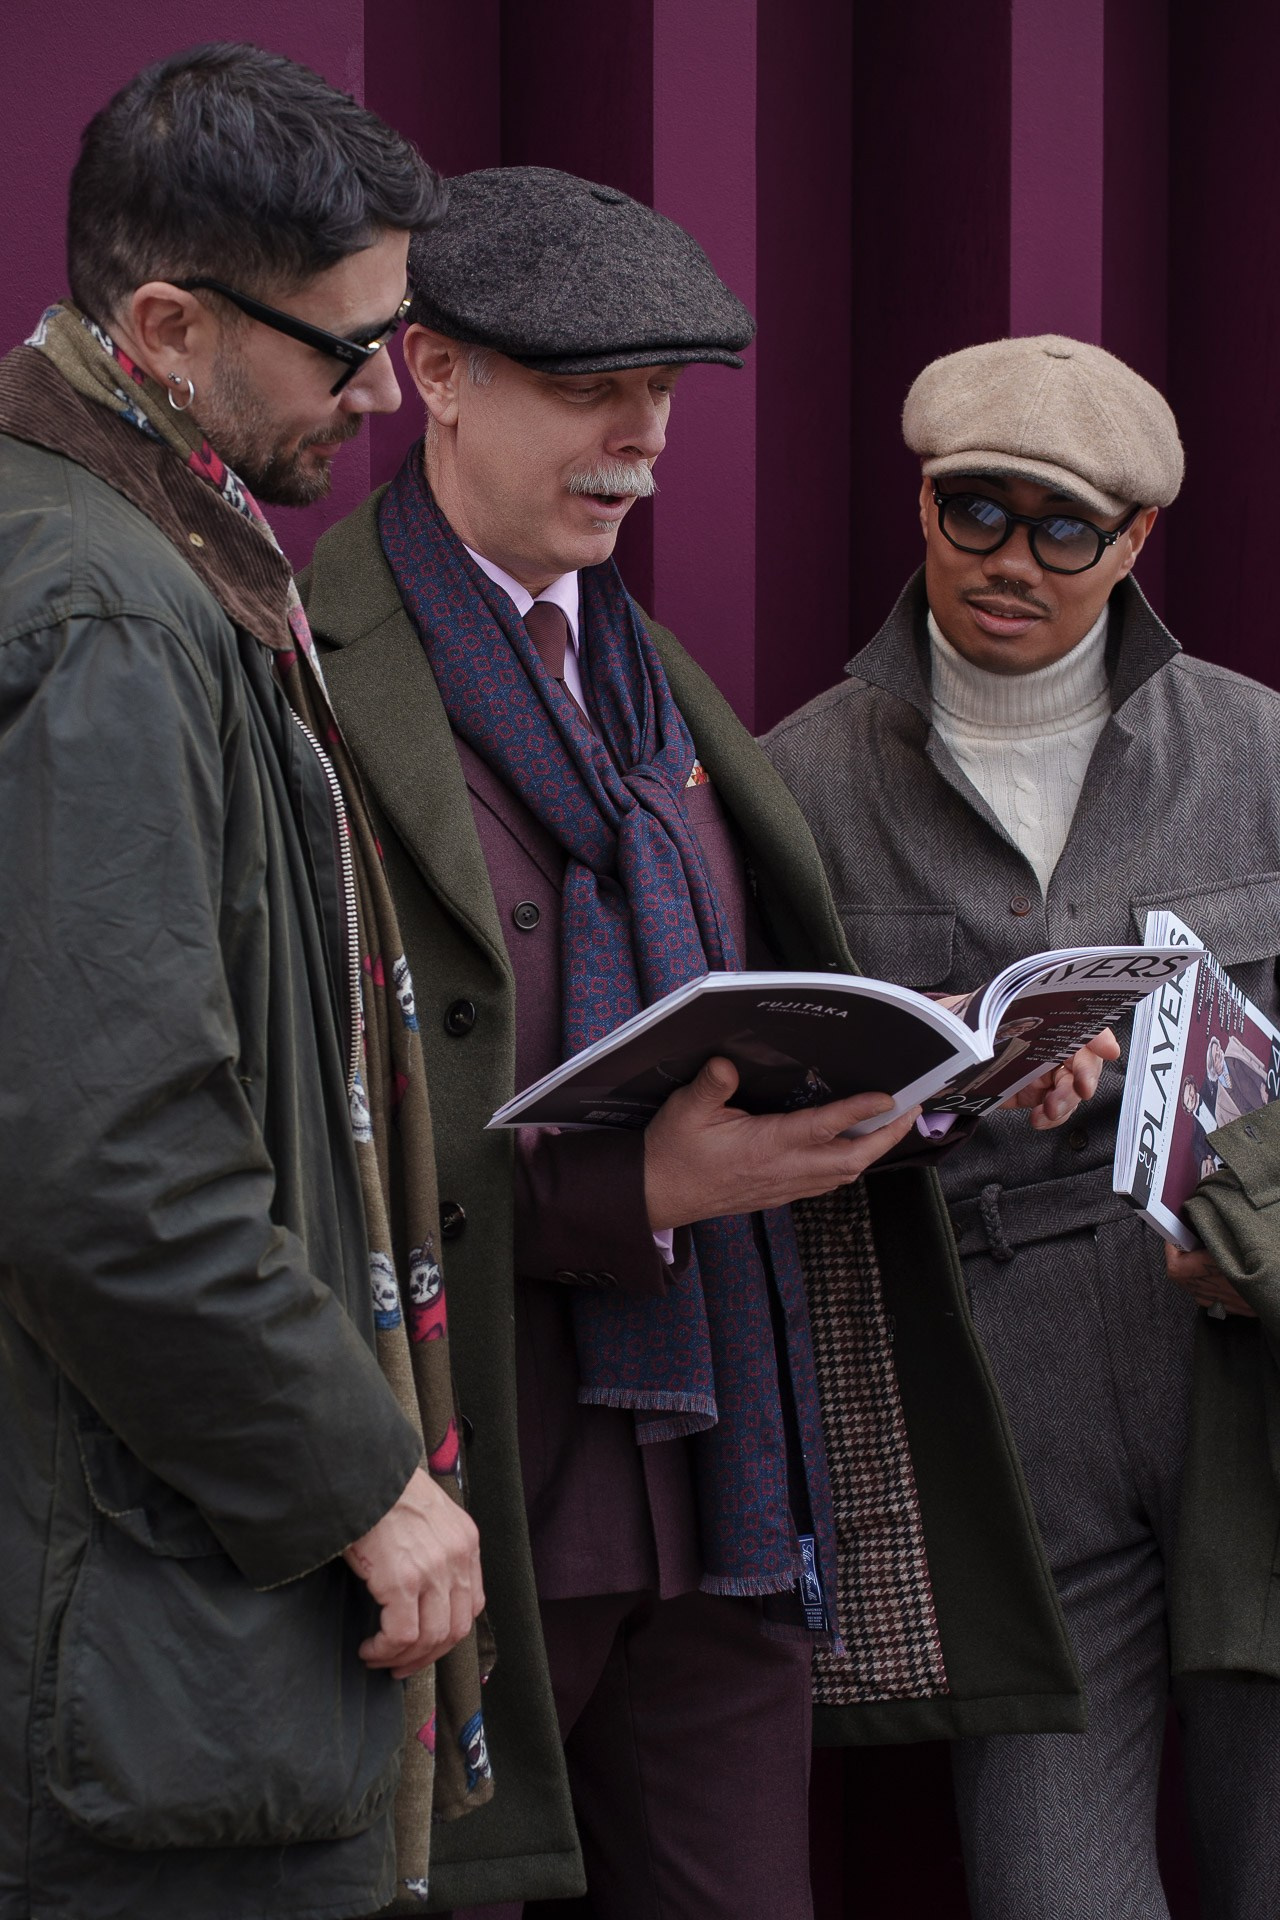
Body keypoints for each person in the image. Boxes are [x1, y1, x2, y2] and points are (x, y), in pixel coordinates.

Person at [302, 171, 1109, 1919]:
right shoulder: (302, 677)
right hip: (470, 1485)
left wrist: (943, 1087)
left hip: (729, 1485)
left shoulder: (648, 676)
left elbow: (748, 1012)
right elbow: (292, 1140)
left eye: (662, 391)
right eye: (589, 387)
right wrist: (634, 1191)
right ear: (434, 372)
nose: (642, 440)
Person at [0, 45, 490, 1920]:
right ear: (167, 328)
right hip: (132, 1646)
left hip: (136, 1609)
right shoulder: (105, 613)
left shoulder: (145, 553)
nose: (381, 397)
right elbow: (102, 1159)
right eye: (348, 350)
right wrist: (361, 1480)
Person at [765, 333, 1280, 1920]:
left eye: (1065, 529)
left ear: (1136, 542)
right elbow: (762, 1102)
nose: (1011, 561)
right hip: (995, 1382)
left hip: (1242, 1355)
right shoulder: (798, 782)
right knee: (1049, 1882)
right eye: (976, 510)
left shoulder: (1259, 753)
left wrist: (1209, 1135)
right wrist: (935, 1084)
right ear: (923, 500)